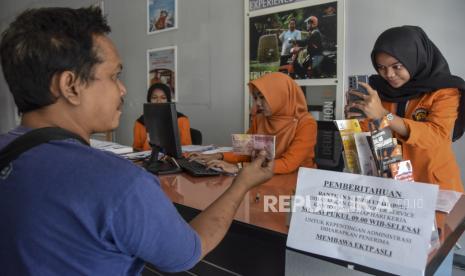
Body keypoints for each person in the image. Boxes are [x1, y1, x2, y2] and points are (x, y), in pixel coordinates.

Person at [0, 6, 273, 275]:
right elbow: (188, 252)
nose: (122, 89)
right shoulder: (119, 184)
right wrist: (242, 184)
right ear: (70, 85)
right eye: (114, 76)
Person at [346, 25, 465, 192]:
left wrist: (383, 115)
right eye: (381, 67)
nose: (389, 74)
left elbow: (436, 135)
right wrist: (356, 119)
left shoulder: (445, 91)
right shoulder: (378, 91)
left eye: (397, 66)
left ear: (414, 58)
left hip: (433, 185)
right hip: (391, 184)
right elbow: (373, 136)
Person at [189, 72, 317, 175]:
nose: (258, 104)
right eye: (256, 98)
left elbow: (288, 164)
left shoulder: (306, 123)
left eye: (262, 97)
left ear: (280, 95)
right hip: (260, 176)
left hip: (296, 181)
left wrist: (238, 167)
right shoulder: (259, 119)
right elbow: (244, 151)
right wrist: (217, 156)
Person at [133, 83, 192, 151]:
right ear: (149, 100)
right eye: (154, 98)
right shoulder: (140, 123)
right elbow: (136, 149)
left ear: (168, 100)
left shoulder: (181, 120)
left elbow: (187, 148)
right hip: (148, 160)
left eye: (163, 98)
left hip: (174, 160)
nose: (158, 101)